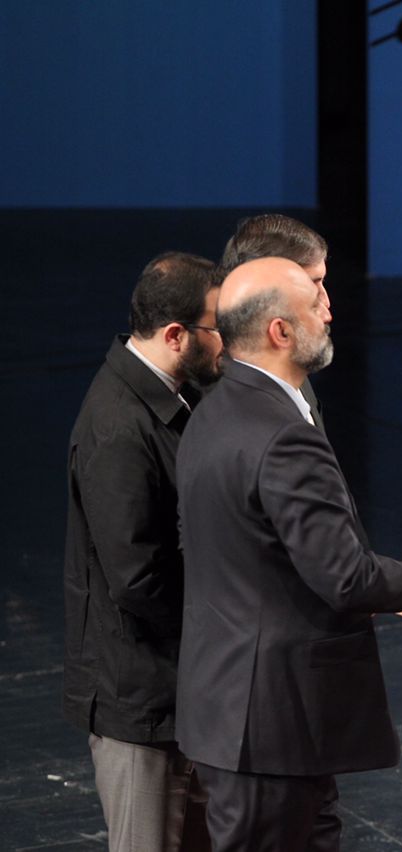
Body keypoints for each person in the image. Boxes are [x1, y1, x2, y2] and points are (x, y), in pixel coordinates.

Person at [174, 257, 402, 850]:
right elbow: (346, 578)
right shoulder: (282, 435)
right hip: (271, 723)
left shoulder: (217, 410)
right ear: (279, 331)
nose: (329, 311)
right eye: (314, 302)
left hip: (238, 710)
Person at [63, 252, 223, 851]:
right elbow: (137, 579)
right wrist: (225, 629)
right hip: (141, 704)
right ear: (176, 335)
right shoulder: (119, 426)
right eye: (217, 329)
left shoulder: (171, 400)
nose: (227, 342)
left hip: (177, 689)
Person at [218, 213, 330, 431]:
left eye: (322, 282)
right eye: (312, 285)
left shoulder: (291, 367)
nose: (326, 303)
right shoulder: (233, 405)